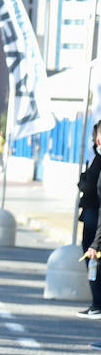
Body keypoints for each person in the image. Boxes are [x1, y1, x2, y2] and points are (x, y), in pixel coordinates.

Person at [77, 121, 101, 318]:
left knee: (93, 260)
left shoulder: (99, 159)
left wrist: (96, 242)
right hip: (93, 215)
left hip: (95, 218)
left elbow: (90, 186)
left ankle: (97, 302)